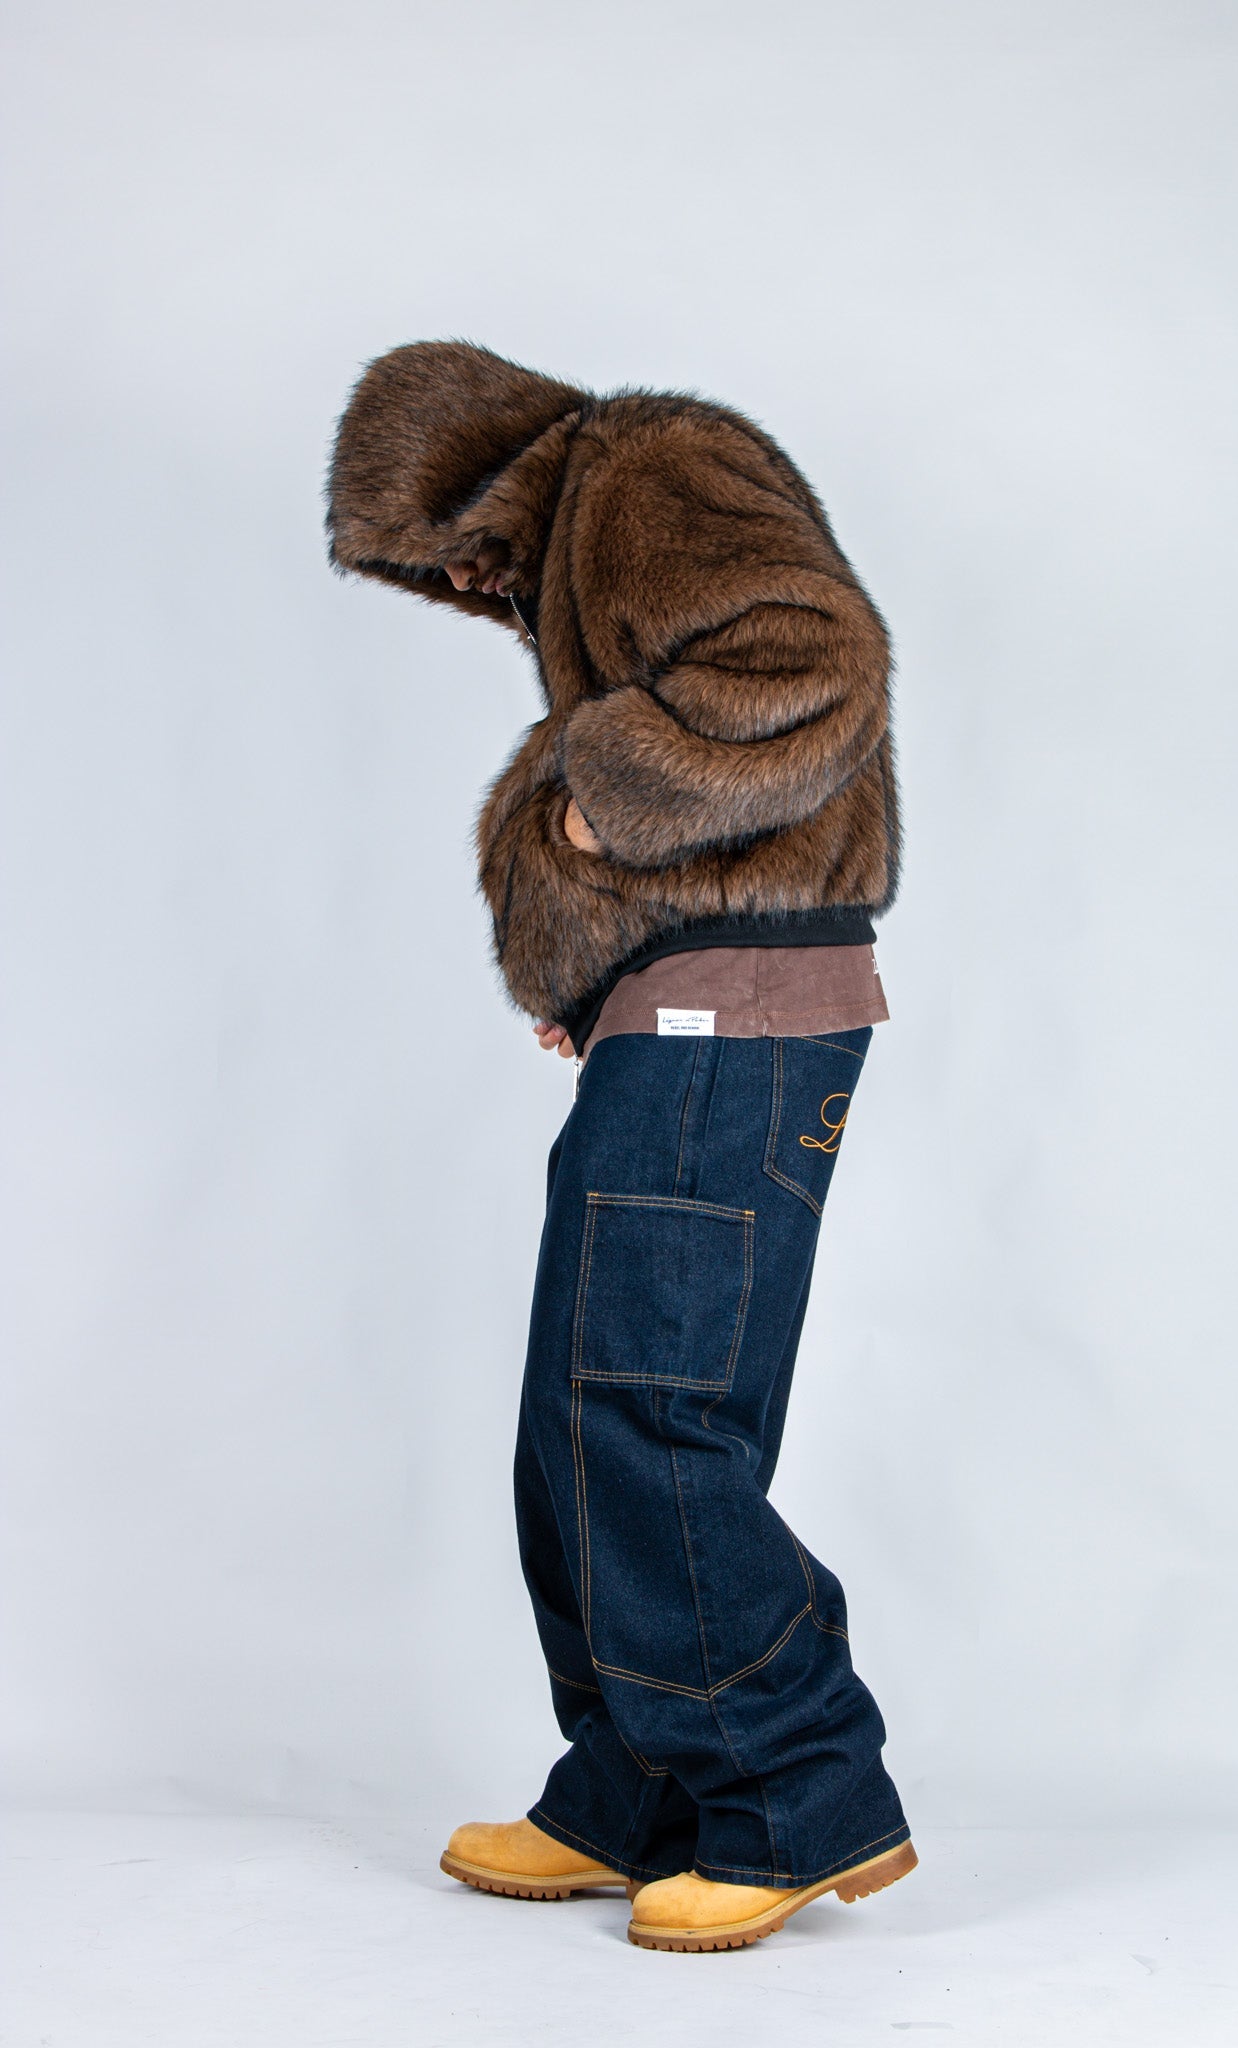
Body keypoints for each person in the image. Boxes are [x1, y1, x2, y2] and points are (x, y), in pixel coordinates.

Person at [327, 342, 915, 1951]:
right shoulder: (583, 527)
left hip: (739, 1019)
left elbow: (812, 659)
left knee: (648, 1415)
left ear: (484, 472)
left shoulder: (645, 471)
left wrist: (597, 804)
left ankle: (796, 1793)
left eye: (459, 546)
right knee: (575, 1426)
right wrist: (601, 964)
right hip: (691, 1010)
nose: (465, 582)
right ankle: (637, 1786)